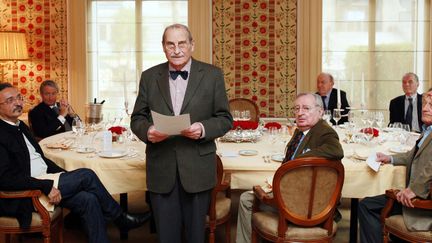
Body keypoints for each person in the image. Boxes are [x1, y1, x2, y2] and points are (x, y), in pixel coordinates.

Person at [0, 82, 150, 243]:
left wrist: (66, 176)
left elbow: (41, 159)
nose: (17, 102)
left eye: (18, 98)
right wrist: (45, 186)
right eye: (9, 100)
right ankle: (120, 218)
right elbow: (5, 179)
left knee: (88, 199)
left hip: (46, 178)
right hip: (28, 192)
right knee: (86, 175)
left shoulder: (20, 125)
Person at [130, 24, 233, 243]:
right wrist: (148, 131)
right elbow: (137, 118)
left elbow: (225, 119)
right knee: (166, 237)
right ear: (164, 48)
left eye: (182, 43)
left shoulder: (213, 75)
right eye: (171, 44)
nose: (176, 50)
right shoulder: (149, 77)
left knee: (196, 236)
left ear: (192, 45)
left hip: (198, 169)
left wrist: (203, 129)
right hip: (161, 168)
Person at [236, 93, 344, 243]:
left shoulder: (324, 131)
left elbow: (336, 150)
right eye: (297, 108)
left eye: (306, 108)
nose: (300, 113)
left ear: (320, 111)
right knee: (248, 197)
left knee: (246, 199)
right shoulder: (301, 132)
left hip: (304, 204)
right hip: (294, 194)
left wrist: (299, 160)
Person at [358, 88, 432, 243]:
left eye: (431, 105)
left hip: (422, 203)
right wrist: (389, 158)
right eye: (425, 103)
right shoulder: (427, 131)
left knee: (366, 206)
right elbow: (411, 155)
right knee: (368, 204)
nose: (425, 108)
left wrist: (415, 189)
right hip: (415, 196)